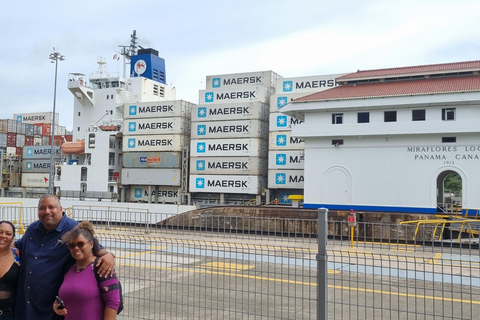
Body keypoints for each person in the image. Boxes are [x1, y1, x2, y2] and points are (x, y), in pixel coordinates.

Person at [14, 194, 115, 320]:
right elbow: (16, 246)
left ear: (61, 209)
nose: (46, 211)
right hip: (26, 305)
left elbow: (93, 248)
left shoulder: (73, 229)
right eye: (42, 208)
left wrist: (109, 255)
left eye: (51, 207)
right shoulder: (32, 229)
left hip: (53, 308)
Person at [53, 221, 120, 320]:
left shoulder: (101, 266)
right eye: (71, 245)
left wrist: (111, 255)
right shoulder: (69, 269)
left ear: (91, 244)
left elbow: (113, 301)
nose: (76, 248)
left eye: (80, 244)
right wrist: (56, 307)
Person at [0, 221, 20, 320]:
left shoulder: (19, 257)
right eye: (0, 232)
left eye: (8, 233)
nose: (3, 236)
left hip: (8, 314)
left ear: (12, 238)